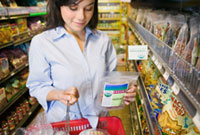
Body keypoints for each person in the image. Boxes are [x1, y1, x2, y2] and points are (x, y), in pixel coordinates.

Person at [26, 0, 137, 124]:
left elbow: (111, 78)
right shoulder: (43, 42)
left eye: (88, 9)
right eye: (73, 8)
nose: (81, 16)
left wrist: (122, 91)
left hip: (99, 123)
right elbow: (37, 86)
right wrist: (59, 95)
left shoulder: (103, 40)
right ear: (58, 5)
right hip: (64, 124)